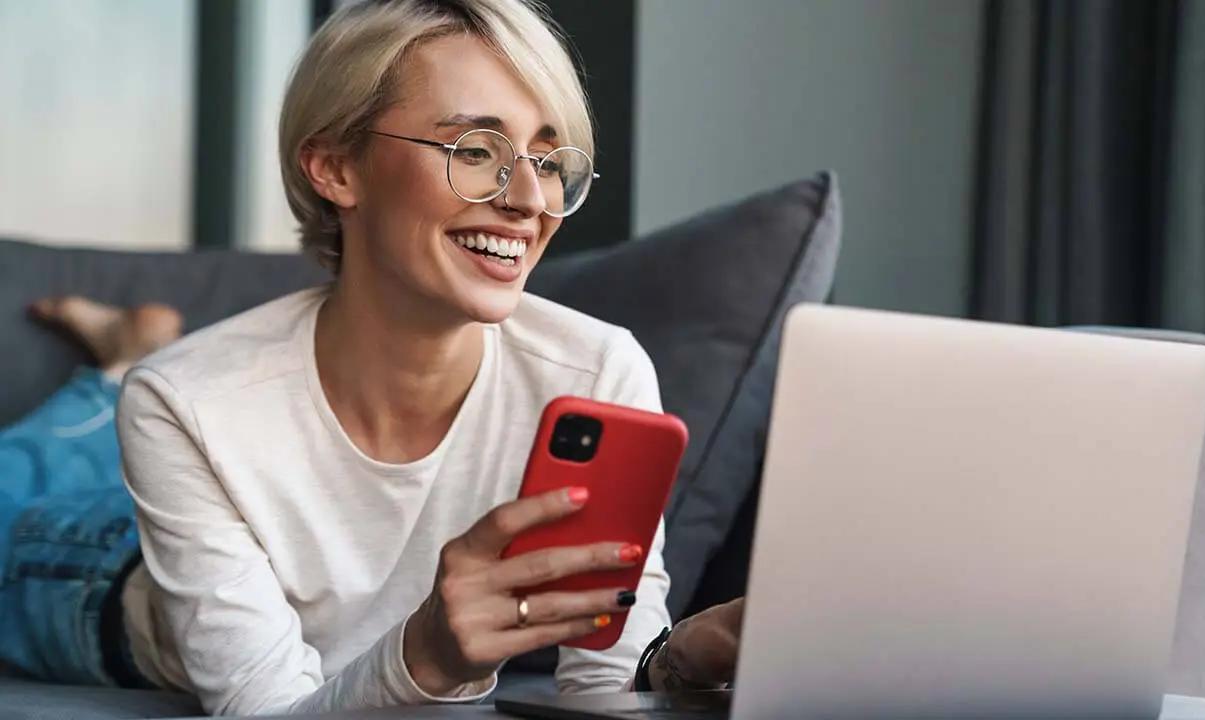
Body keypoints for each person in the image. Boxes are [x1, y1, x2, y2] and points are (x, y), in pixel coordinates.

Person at [1, 0, 742, 715]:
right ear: (334, 168)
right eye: (475, 150)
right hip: (96, 578)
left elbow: (608, 681)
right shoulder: (184, 399)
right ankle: (119, 366)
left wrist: (685, 663)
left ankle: (122, 357)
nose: (527, 199)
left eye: (548, 162)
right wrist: (427, 656)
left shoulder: (599, 374)